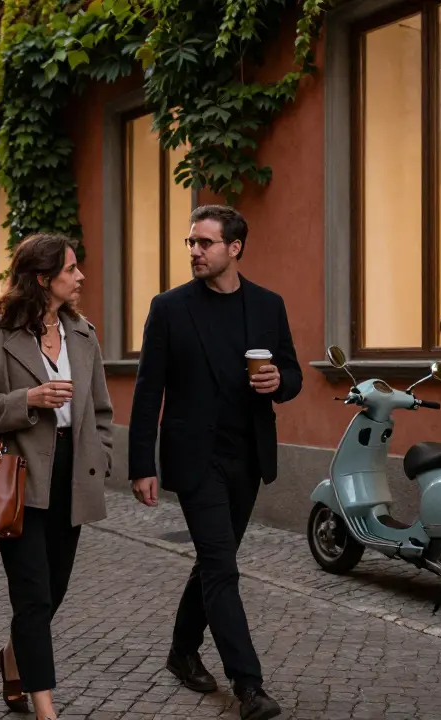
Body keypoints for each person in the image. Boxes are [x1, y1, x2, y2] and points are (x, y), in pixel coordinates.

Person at [129, 205, 301, 720]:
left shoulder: (269, 306)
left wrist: (280, 383)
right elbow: (147, 390)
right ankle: (249, 686)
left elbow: (290, 370)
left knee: (212, 562)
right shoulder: (170, 308)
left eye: (205, 243)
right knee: (223, 567)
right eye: (191, 243)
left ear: (234, 248)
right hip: (195, 459)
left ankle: (182, 652)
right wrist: (142, 463)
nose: (195, 251)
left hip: (246, 456)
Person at [0, 232, 115, 720]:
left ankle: (10, 657)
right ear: (44, 278)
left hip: (74, 474)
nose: (81, 276)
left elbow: (101, 411)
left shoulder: (83, 334)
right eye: (71, 269)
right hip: (20, 476)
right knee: (31, 592)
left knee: (55, 590)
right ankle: (46, 709)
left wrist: (101, 455)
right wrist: (29, 399)